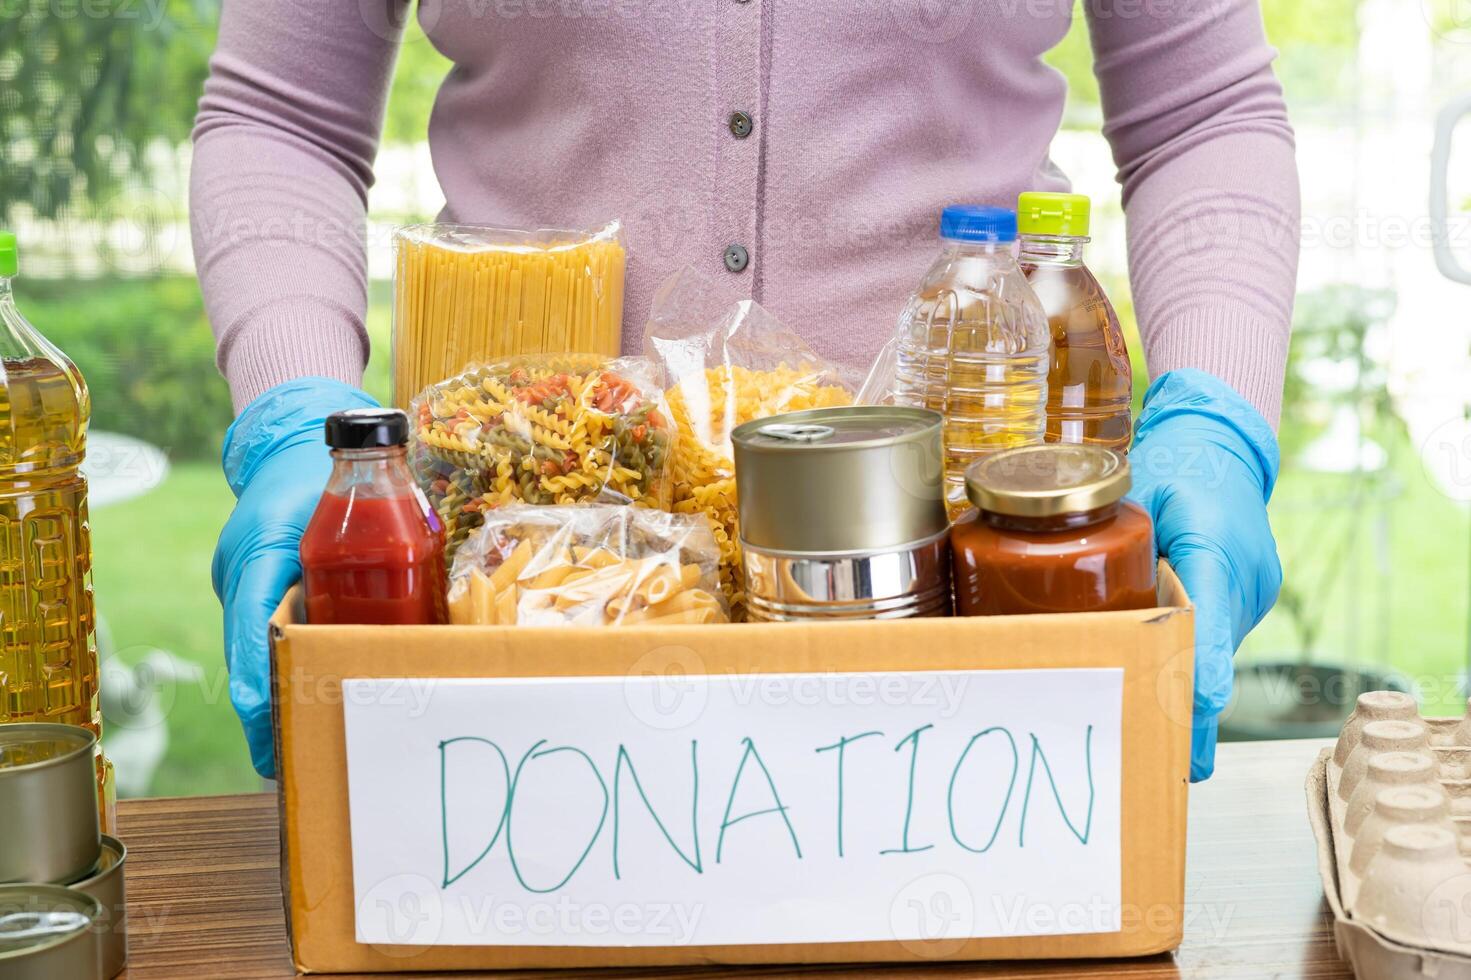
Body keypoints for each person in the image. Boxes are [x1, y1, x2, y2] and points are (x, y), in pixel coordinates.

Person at [193, 0, 1298, 783]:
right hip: (528, 570)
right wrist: (297, 409)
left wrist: (1213, 420)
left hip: (956, 564)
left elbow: (1203, 112)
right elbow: (282, 114)